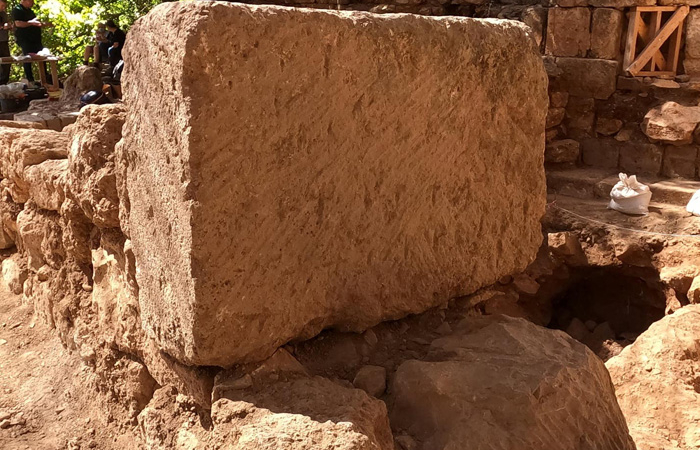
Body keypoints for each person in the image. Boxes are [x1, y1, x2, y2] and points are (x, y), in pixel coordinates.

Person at [12, 0, 52, 83]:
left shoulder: (30, 11)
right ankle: (30, 80)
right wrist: (31, 23)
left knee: (42, 57)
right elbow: (18, 23)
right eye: (31, 0)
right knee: (27, 59)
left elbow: (36, 23)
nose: (32, 2)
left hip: (36, 40)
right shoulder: (18, 9)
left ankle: (45, 78)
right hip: (25, 39)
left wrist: (45, 24)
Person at [0, 0, 12, 85]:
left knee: (7, 61)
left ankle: (3, 82)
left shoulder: (3, 14)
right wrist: (2, 27)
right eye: (2, 6)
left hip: (4, 40)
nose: (3, 8)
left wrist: (9, 26)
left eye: (4, 6)